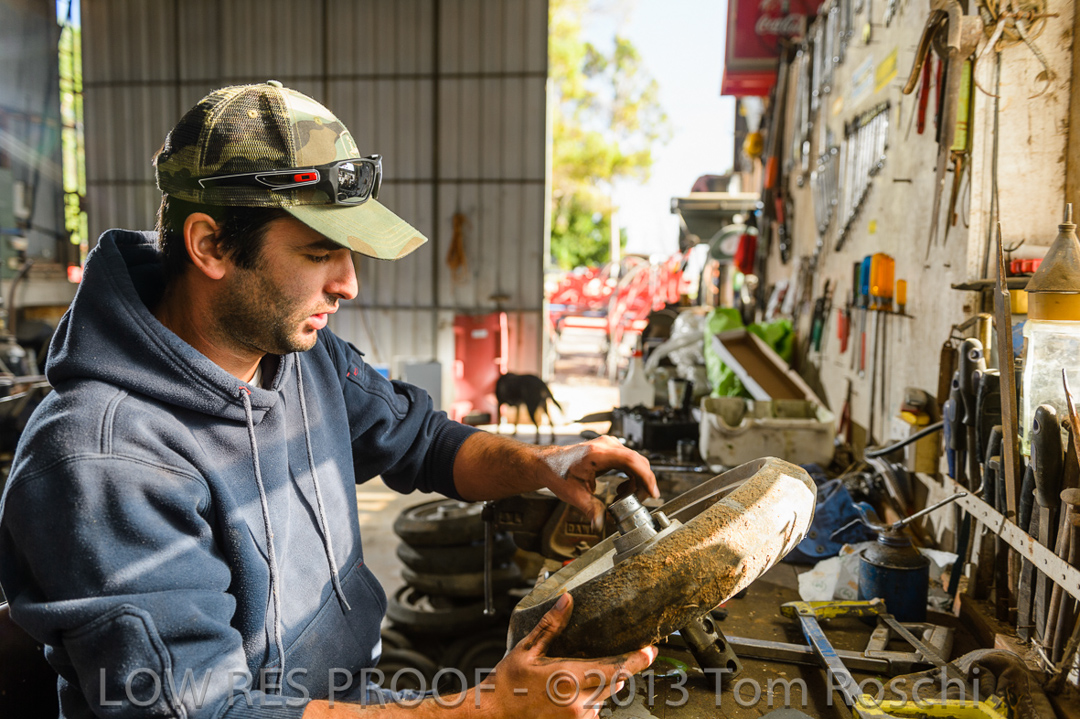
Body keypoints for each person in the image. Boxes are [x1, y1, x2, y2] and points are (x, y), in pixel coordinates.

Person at [0, 81, 658, 718]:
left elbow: (423, 439)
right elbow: (204, 710)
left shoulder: (297, 353)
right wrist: (485, 710)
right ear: (210, 245)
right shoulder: (104, 458)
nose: (349, 284)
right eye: (319, 253)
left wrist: (544, 463)